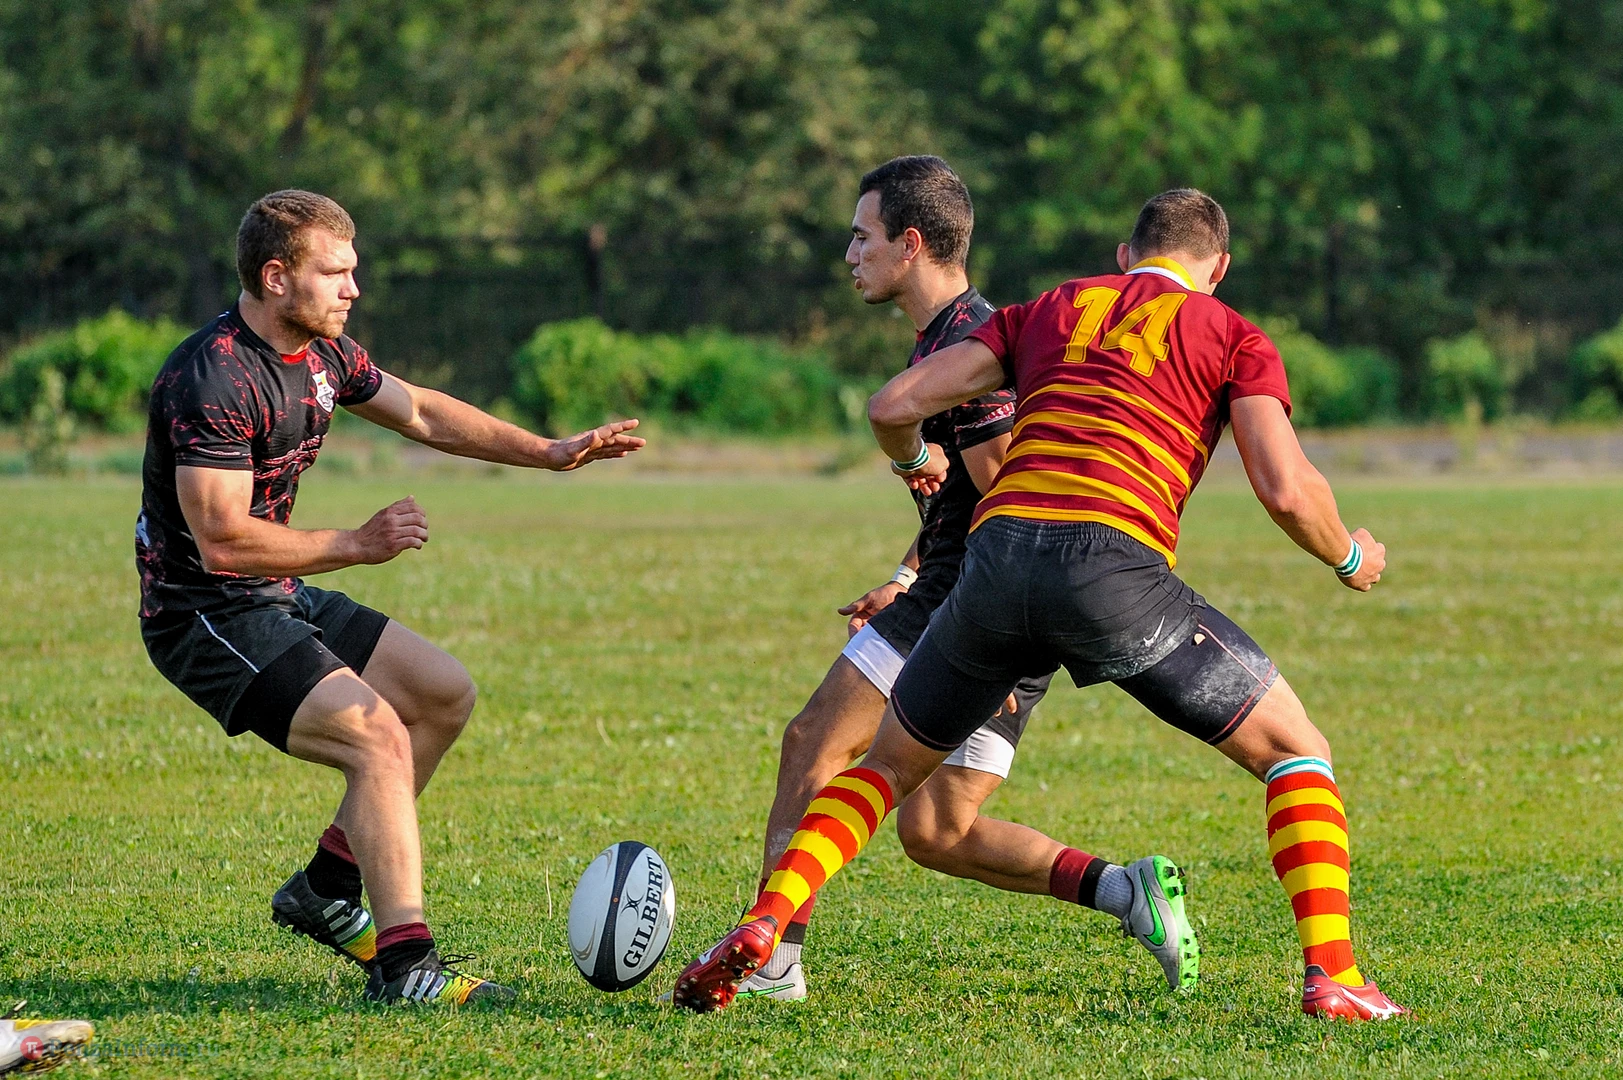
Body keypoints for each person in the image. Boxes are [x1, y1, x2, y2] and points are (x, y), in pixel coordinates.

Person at [675, 188, 1406, 1022]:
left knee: (883, 769)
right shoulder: (1232, 333)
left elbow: (891, 405)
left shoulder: (1051, 307)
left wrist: (913, 461)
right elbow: (1283, 488)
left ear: (1125, 257)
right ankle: (1334, 976)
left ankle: (768, 923)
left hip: (991, 565)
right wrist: (1349, 556)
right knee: (1294, 750)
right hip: (1109, 566)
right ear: (1218, 269)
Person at [136, 189, 644, 1005]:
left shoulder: (323, 355)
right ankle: (406, 968)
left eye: (353, 270)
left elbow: (424, 414)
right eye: (334, 273)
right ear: (276, 277)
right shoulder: (213, 376)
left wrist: (549, 452)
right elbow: (221, 541)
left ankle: (325, 890)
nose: (353, 289)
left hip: (274, 593)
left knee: (441, 694)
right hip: (204, 613)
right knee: (376, 738)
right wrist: (358, 544)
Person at [710, 157, 1197, 1006]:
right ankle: (1126, 891)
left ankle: (773, 959)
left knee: (813, 742)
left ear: (910, 244)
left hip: (976, 602)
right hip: (963, 595)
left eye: (861, 236)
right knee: (938, 831)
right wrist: (904, 572)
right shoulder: (950, 339)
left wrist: (992, 633)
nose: (849, 254)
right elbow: (963, 499)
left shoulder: (970, 347)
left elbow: (1014, 495)